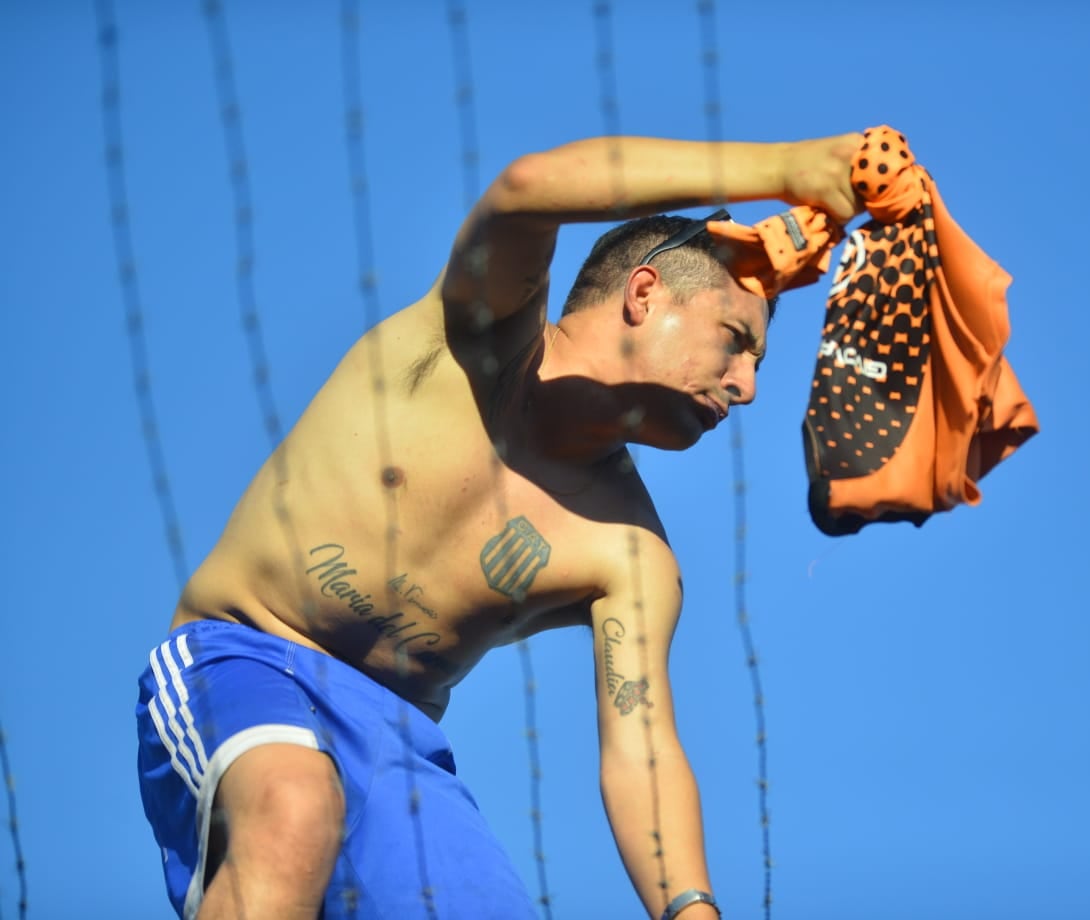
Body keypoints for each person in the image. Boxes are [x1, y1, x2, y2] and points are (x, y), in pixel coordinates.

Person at [136, 131, 864, 919]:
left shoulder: (630, 552)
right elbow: (526, 189)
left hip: (398, 745)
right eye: (736, 341)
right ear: (644, 294)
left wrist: (693, 910)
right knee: (294, 807)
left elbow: (641, 750)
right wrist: (787, 172)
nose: (748, 386)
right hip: (247, 656)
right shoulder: (476, 338)